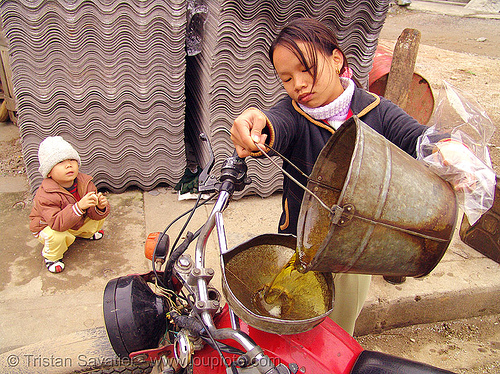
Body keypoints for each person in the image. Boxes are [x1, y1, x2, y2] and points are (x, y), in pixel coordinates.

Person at [230, 18, 462, 335]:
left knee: (337, 332)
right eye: (286, 78)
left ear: (336, 59)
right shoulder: (293, 114)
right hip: (301, 240)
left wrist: (447, 150)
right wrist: (256, 124)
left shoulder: (378, 112)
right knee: (288, 321)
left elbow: (418, 137)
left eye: (305, 69)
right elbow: (273, 124)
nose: (297, 84)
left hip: (355, 250)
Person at [29, 136, 110, 273]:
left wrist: (100, 207)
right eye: (60, 162)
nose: (68, 165)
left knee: (100, 216)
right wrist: (79, 207)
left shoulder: (85, 182)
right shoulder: (45, 194)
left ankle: (83, 233)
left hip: (73, 222)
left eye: (72, 160)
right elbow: (56, 223)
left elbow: (91, 213)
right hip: (49, 226)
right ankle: (51, 257)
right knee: (56, 236)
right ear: (49, 172)